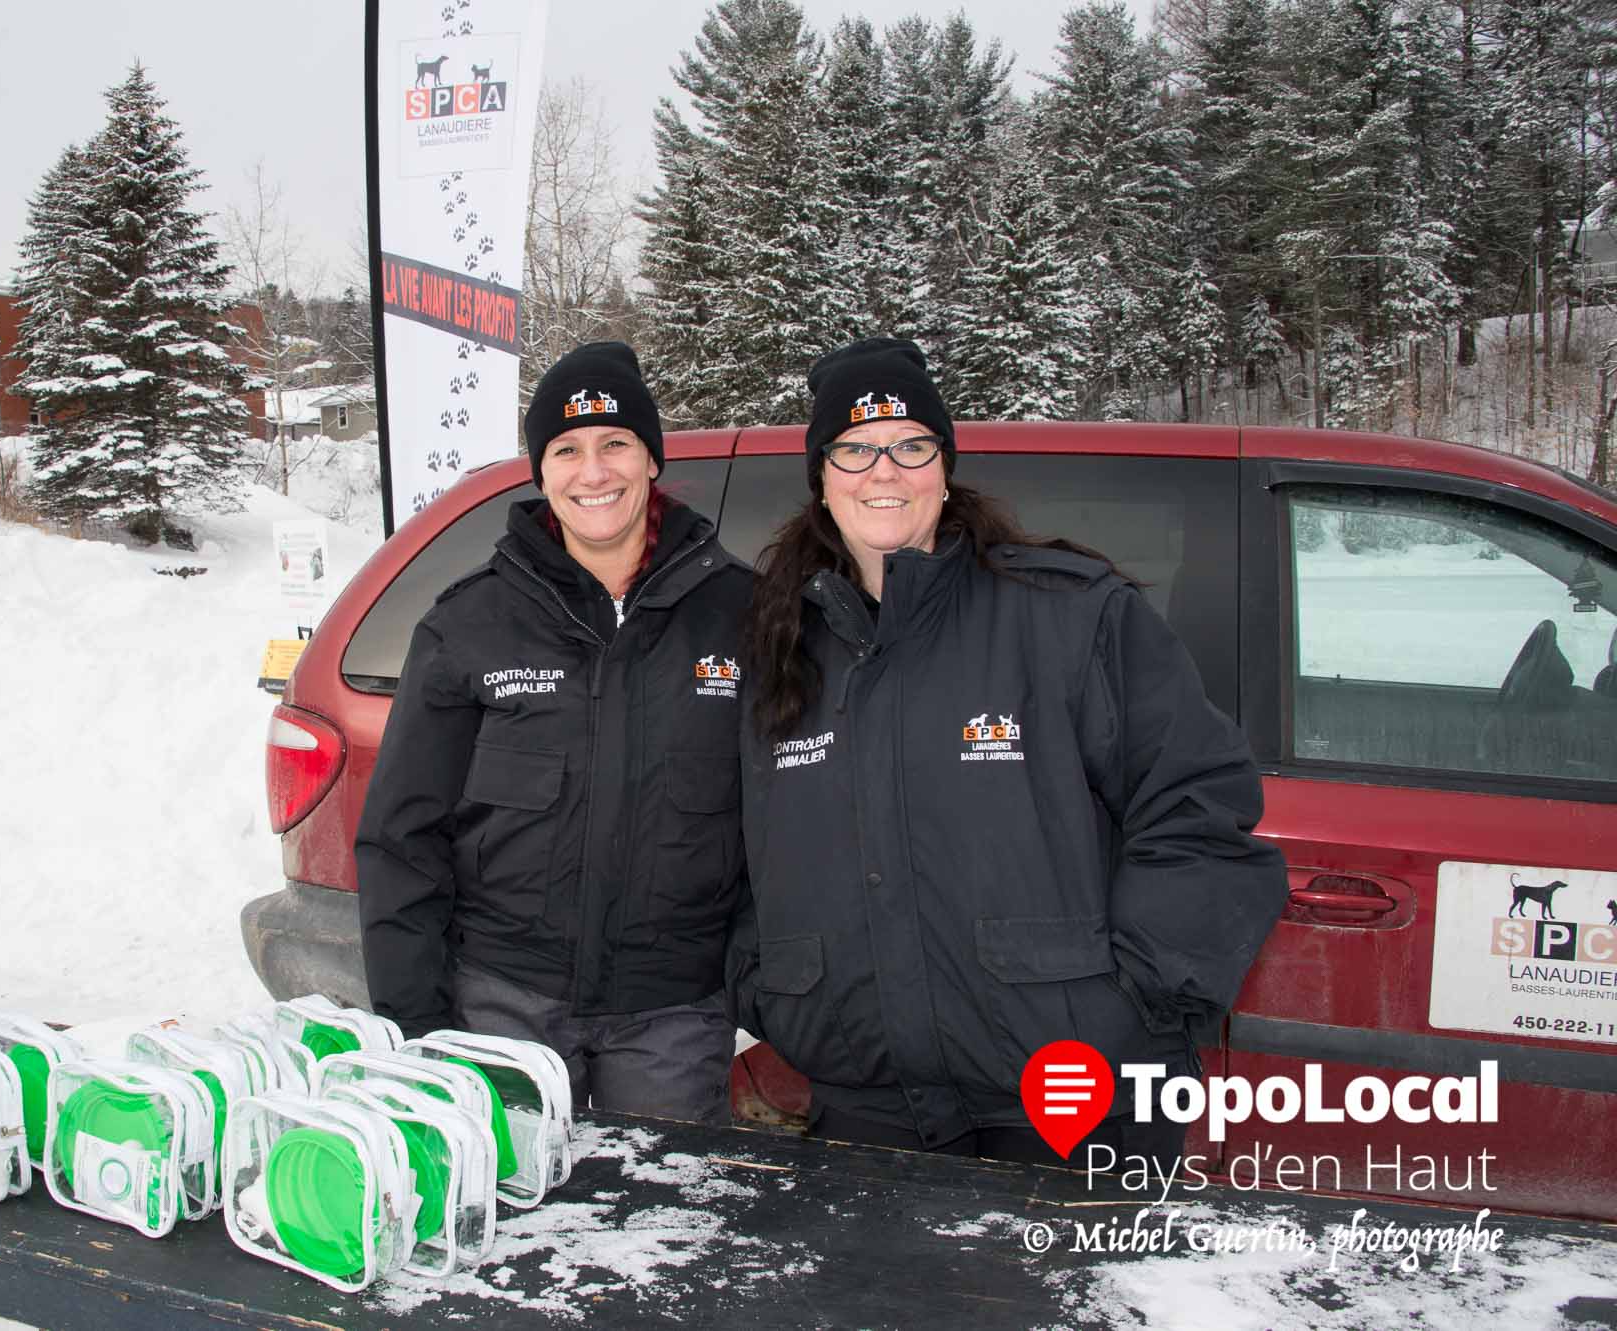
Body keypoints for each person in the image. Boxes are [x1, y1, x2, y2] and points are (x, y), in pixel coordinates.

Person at [729, 336, 1287, 1167]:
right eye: (854, 448)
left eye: (911, 444)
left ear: (944, 466)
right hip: (870, 1109)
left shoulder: (1065, 616)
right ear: (822, 477)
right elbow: (739, 855)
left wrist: (1131, 1007)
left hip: (1070, 1098)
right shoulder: (782, 650)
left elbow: (1199, 807)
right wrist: (773, 991)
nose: (884, 469)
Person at [356, 341, 751, 1123]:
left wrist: (758, 984)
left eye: (615, 444)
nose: (593, 471)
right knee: (506, 1215)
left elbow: (788, 825)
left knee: (665, 1224)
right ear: (542, 473)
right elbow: (402, 836)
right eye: (566, 450)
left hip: (672, 1017)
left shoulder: (741, 614)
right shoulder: (469, 624)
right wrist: (416, 1019)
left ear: (651, 459)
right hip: (503, 1008)